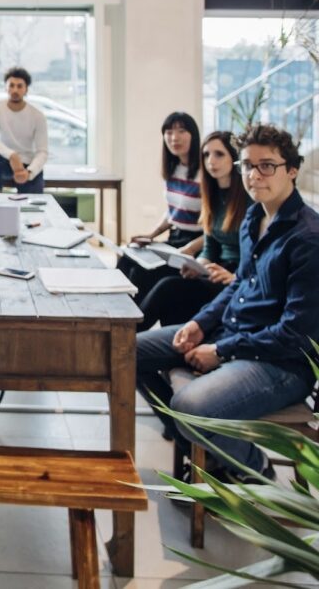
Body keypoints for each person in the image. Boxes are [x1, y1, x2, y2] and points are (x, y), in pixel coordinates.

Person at [135, 124, 319, 481]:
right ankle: (197, 446)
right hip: (233, 333)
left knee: (190, 404)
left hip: (280, 363)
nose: (254, 175)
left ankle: (253, 468)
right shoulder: (255, 216)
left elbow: (295, 335)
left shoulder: (308, 238)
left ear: (292, 170)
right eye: (247, 165)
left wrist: (221, 351)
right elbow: (238, 288)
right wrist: (199, 324)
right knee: (127, 352)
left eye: (267, 165)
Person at [137, 131, 248, 331]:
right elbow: (210, 247)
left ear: (235, 158)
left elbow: (254, 255)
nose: (211, 161)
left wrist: (235, 276)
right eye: (206, 155)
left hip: (235, 276)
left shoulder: (247, 199)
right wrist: (198, 266)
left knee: (167, 287)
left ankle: (128, 336)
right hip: (215, 268)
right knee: (152, 272)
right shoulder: (212, 195)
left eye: (219, 154)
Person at [118, 112, 205, 304]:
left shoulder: (205, 173)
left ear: (194, 135)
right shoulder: (174, 169)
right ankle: (114, 311)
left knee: (142, 271)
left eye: (182, 131)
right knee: (128, 256)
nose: (175, 137)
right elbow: (174, 211)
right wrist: (151, 235)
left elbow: (215, 229)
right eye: (169, 132)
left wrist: (191, 248)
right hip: (175, 238)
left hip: (196, 244)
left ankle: (132, 323)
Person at [0, 67, 50, 193]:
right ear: (5, 87)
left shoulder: (37, 115)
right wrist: (12, 156)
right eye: (11, 85)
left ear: (26, 89)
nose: (15, 90)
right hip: (3, 161)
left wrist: (29, 172)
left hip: (27, 164)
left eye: (19, 86)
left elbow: (43, 152)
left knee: (33, 206)